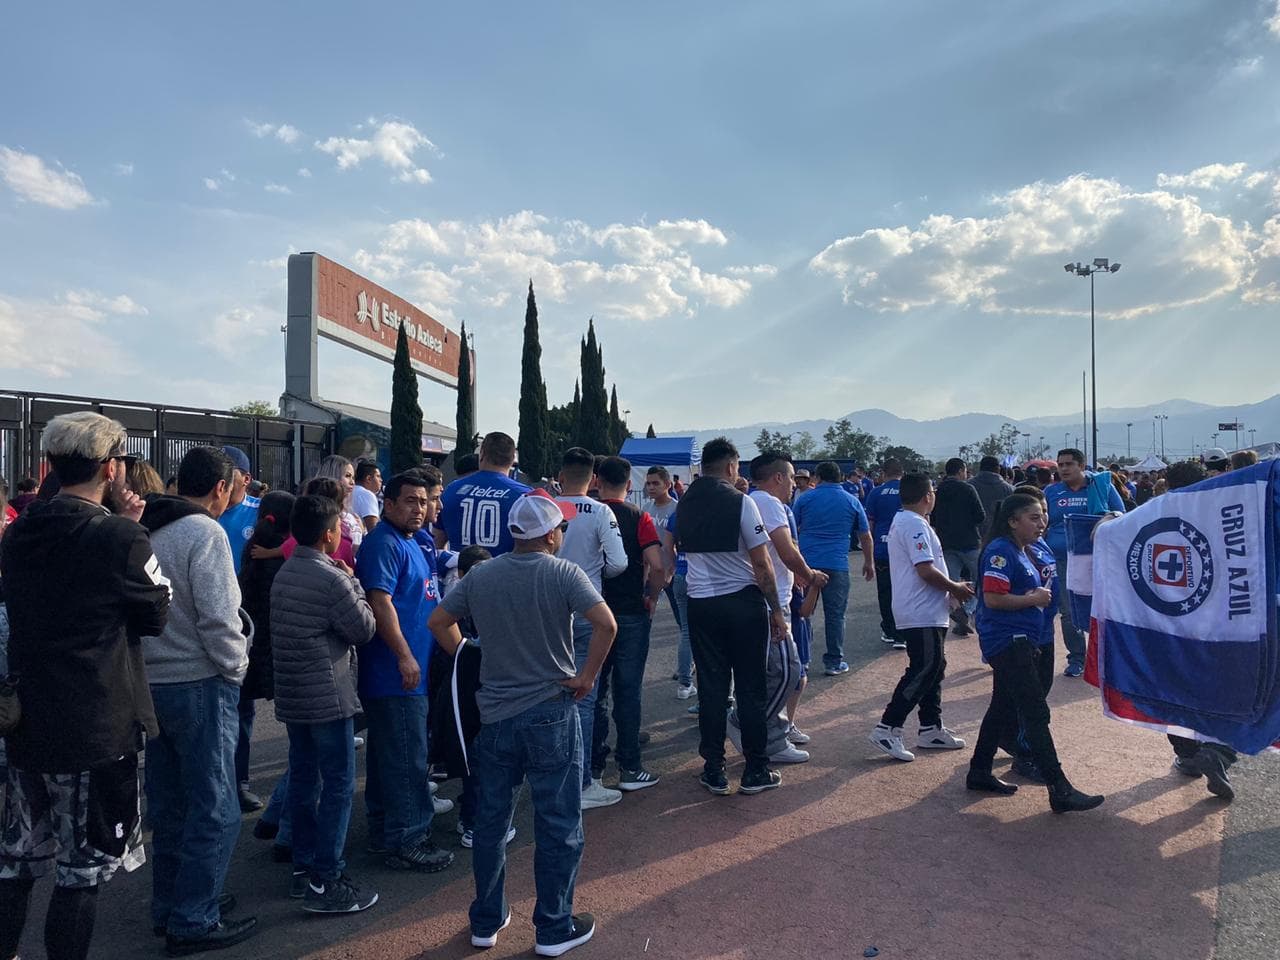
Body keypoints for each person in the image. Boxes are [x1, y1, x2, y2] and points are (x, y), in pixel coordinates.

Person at [0, 412, 171, 960]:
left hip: (26, 715)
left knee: (19, 859)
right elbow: (157, 611)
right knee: (82, 871)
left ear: (50, 464)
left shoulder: (20, 529)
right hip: (96, 721)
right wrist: (127, 525)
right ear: (112, 468)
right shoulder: (121, 536)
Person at [428, 490, 617, 957]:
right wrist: (587, 677)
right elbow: (606, 624)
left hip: (495, 714)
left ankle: (486, 920)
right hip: (552, 708)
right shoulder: (564, 573)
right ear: (551, 534)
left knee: (492, 822)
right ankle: (554, 926)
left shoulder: (482, 575)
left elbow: (439, 621)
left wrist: (470, 656)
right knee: (559, 821)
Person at [139, 445, 259, 953]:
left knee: (169, 805)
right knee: (216, 806)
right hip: (201, 683)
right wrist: (238, 667)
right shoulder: (204, 532)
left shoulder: (147, 526)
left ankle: (174, 903)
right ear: (221, 488)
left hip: (152, 683)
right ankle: (194, 916)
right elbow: (219, 617)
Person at [270, 494, 378, 913]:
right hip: (328, 696)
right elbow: (363, 628)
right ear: (329, 534)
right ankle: (326, 877)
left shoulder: (286, 572)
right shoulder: (332, 577)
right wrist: (353, 582)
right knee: (337, 786)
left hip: (295, 693)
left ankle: (304, 866)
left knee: (303, 778)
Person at [966, 493, 1104, 813]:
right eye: (1033, 517)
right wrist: (1033, 599)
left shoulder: (1022, 549)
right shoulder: (1001, 551)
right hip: (1008, 641)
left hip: (1021, 639)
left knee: (1001, 706)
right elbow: (993, 598)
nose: (1041, 523)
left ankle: (979, 770)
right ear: (1013, 521)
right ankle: (1059, 787)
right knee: (1035, 712)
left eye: (1042, 516)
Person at [676, 437, 788, 796]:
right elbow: (762, 562)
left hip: (700, 604)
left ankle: (713, 767)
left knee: (712, 687)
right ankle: (756, 768)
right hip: (741, 603)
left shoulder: (683, 503)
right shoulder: (741, 503)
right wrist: (777, 610)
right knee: (751, 687)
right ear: (730, 467)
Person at [355, 469, 454, 873]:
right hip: (394, 673)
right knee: (408, 757)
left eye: (424, 501)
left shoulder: (417, 540)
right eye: (410, 501)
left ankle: (385, 832)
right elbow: (380, 602)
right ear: (389, 504)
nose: (420, 508)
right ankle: (410, 838)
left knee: (387, 757)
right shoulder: (384, 544)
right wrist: (404, 655)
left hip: (411, 669)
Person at [869, 473, 974, 762]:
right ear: (928, 496)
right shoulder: (913, 524)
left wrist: (950, 592)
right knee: (925, 666)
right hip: (919, 609)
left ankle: (930, 727)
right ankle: (888, 726)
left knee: (935, 666)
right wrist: (955, 587)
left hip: (927, 609)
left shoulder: (911, 522)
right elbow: (925, 569)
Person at [738, 452, 828, 763]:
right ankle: (759, 730)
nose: (793, 484)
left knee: (775, 671)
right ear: (778, 477)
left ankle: (772, 731)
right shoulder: (769, 503)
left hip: (770, 594)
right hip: (771, 599)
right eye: (790, 477)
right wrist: (810, 574)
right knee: (787, 671)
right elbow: (785, 550)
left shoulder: (754, 501)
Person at [553, 448, 627, 809]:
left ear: (561, 476)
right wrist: (592, 573)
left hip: (548, 610)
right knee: (584, 695)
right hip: (586, 607)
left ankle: (549, 774)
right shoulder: (601, 510)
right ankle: (580, 784)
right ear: (594, 480)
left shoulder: (547, 507)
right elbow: (619, 562)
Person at [594, 456, 666, 791]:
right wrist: (650, 596)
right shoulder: (639, 517)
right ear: (629, 484)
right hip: (630, 612)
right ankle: (630, 765)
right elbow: (658, 564)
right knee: (628, 689)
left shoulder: (586, 515)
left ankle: (592, 767)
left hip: (591, 613)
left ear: (597, 481)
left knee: (593, 689)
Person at [239, 491, 297, 859]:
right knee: (307, 753)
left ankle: (273, 815)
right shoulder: (284, 559)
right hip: (282, 658)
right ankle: (286, 832)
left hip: (257, 652)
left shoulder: (256, 550)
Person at [1043, 448, 1124, 678]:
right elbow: (1042, 522)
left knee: (1102, 608)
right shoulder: (1052, 492)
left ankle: (1104, 658)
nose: (1064, 469)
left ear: (1082, 465)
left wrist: (1110, 516)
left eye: (1069, 464)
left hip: (1097, 560)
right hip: (1062, 560)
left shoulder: (1101, 487)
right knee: (1069, 612)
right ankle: (1077, 658)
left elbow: (1123, 514)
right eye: (1061, 465)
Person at [215, 445, 264, 811]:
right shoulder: (202, 511)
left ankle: (239, 781)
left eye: (228, 475)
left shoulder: (261, 514)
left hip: (242, 624)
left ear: (245, 479)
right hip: (204, 620)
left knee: (241, 708)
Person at [793, 460, 874, 675]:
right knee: (835, 615)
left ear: (816, 478)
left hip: (806, 564)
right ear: (839, 477)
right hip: (837, 564)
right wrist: (869, 562)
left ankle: (802, 658)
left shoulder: (805, 499)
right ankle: (834, 662)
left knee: (803, 612)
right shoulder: (851, 501)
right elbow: (865, 536)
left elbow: (791, 531)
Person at [436, 432, 531, 554]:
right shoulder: (525, 496)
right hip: (507, 571)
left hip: (461, 570)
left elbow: (437, 543)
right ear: (512, 459)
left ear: (481, 455)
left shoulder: (451, 490)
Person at [930, 457, 985, 637]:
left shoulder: (938, 491)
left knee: (951, 582)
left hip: (946, 543)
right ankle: (968, 610)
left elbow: (934, 517)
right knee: (981, 579)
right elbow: (980, 516)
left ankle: (956, 610)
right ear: (961, 471)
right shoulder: (968, 488)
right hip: (969, 542)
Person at [864, 459, 905, 650]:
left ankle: (890, 630)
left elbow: (869, 525)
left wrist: (869, 552)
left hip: (882, 549)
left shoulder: (875, 492)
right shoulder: (908, 491)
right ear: (901, 472)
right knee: (905, 591)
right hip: (905, 550)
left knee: (886, 592)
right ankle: (903, 633)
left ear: (884, 473)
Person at [641, 466, 683, 630]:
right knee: (645, 619)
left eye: (655, 483)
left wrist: (671, 571)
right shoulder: (645, 509)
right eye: (648, 484)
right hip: (650, 573)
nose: (651, 487)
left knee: (682, 621)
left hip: (671, 572)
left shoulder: (678, 509)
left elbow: (680, 544)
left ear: (667, 484)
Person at [314, 455, 363, 550]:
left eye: (353, 477)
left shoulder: (351, 515)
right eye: (347, 476)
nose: (352, 482)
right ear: (333, 476)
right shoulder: (318, 514)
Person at [969, 455, 1014, 541]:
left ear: (980, 468)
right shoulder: (1010, 490)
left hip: (973, 538)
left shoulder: (968, 486)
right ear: (998, 469)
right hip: (1001, 537)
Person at [353, 460, 383, 533]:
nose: (381, 480)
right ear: (368, 478)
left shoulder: (349, 492)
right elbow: (374, 530)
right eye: (378, 476)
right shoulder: (367, 495)